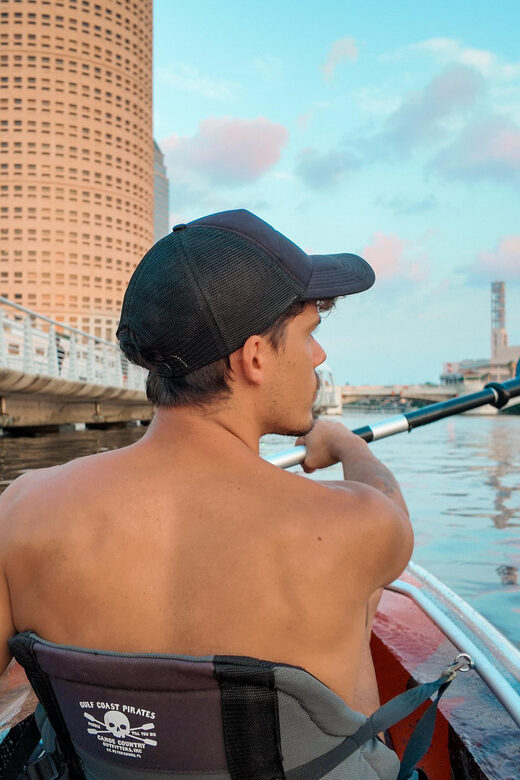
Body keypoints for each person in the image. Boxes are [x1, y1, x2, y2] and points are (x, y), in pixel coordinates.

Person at [0, 210, 413, 779]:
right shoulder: (357, 524)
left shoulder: (21, 508)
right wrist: (347, 446)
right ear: (254, 357)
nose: (318, 357)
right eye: (309, 334)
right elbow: (390, 509)